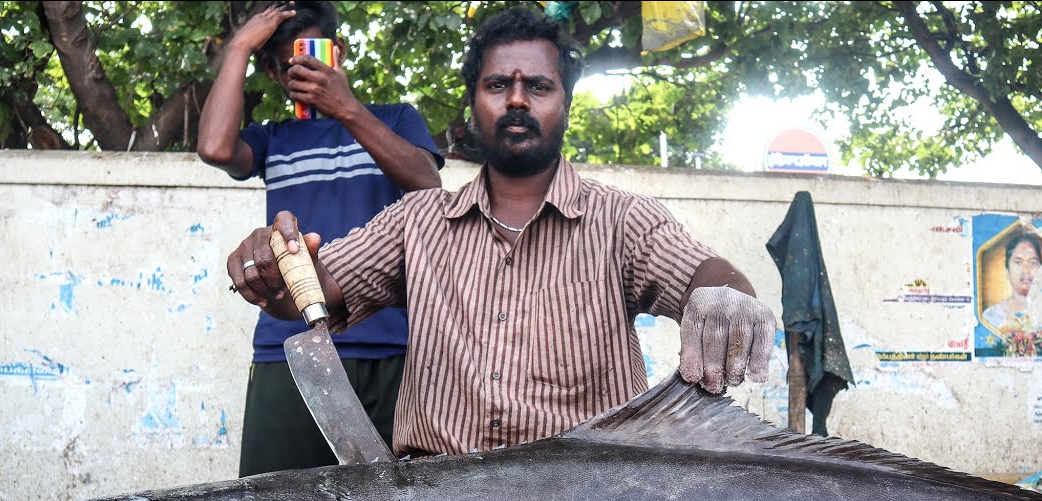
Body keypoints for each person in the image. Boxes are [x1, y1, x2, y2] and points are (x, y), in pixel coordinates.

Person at [225, 6, 775, 458]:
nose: (516, 99)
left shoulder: (622, 221)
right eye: (497, 85)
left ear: (565, 103)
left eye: (537, 85)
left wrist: (723, 298)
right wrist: (275, 272)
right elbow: (313, 293)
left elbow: (704, 272)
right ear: (474, 102)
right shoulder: (416, 221)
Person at [197, 1, 444, 475]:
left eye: (313, 55)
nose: (302, 70)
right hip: (290, 347)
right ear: (273, 74)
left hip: (393, 348)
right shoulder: (273, 139)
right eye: (287, 63)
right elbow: (214, 147)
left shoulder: (393, 120)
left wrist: (346, 108)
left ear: (339, 54)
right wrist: (241, 46)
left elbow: (426, 183)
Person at [983, 234, 1042, 332]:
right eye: (1018, 262)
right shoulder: (992, 317)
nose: (1026, 270)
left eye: (1033, 263)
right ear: (1007, 272)